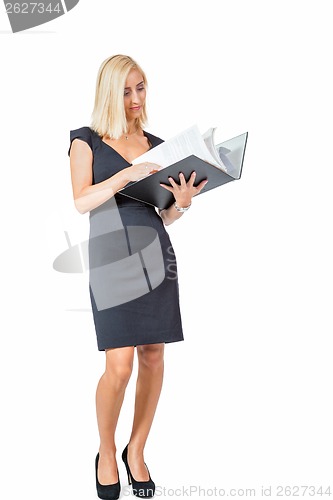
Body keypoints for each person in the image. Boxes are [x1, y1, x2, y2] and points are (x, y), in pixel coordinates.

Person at [68, 54, 208, 500]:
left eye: (141, 87)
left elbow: (163, 216)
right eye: (126, 90)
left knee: (152, 356)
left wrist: (181, 202)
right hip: (112, 256)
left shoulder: (158, 144)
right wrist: (123, 176)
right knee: (119, 364)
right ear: (110, 91)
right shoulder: (85, 140)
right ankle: (106, 452)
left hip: (156, 254)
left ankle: (137, 450)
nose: (135, 98)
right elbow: (81, 201)